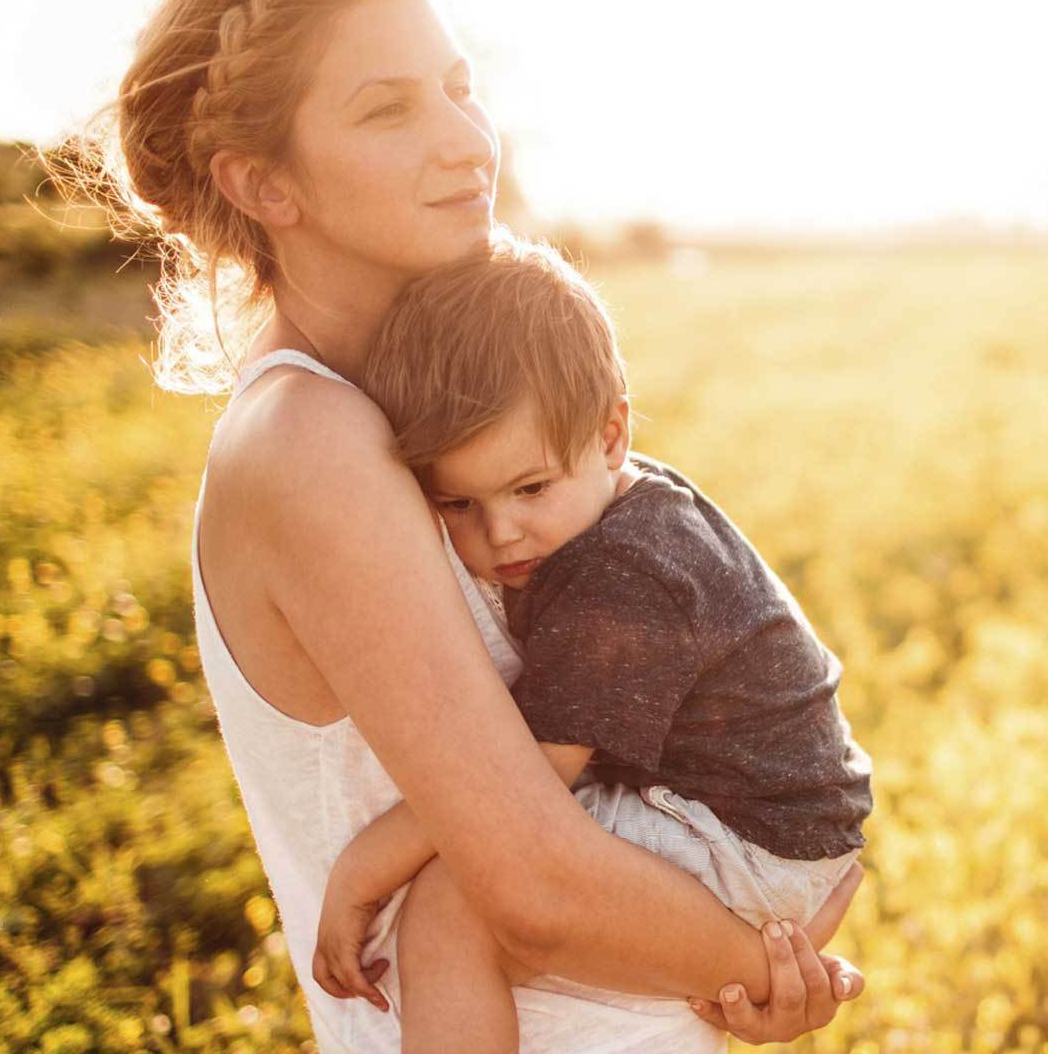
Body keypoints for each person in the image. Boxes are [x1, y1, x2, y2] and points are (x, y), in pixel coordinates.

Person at [89, 0, 868, 1050]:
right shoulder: (307, 442)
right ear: (264, 183)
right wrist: (781, 973)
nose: (466, 141)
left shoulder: (451, 404)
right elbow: (537, 885)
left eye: (460, 87)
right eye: (389, 108)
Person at [309, 238, 875, 1047]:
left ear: (611, 436)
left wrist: (364, 870)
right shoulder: (619, 497)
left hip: (752, 836)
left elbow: (524, 783)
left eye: (529, 487)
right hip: (771, 816)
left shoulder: (619, 572)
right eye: (458, 504)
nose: (501, 533)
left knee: (453, 907)